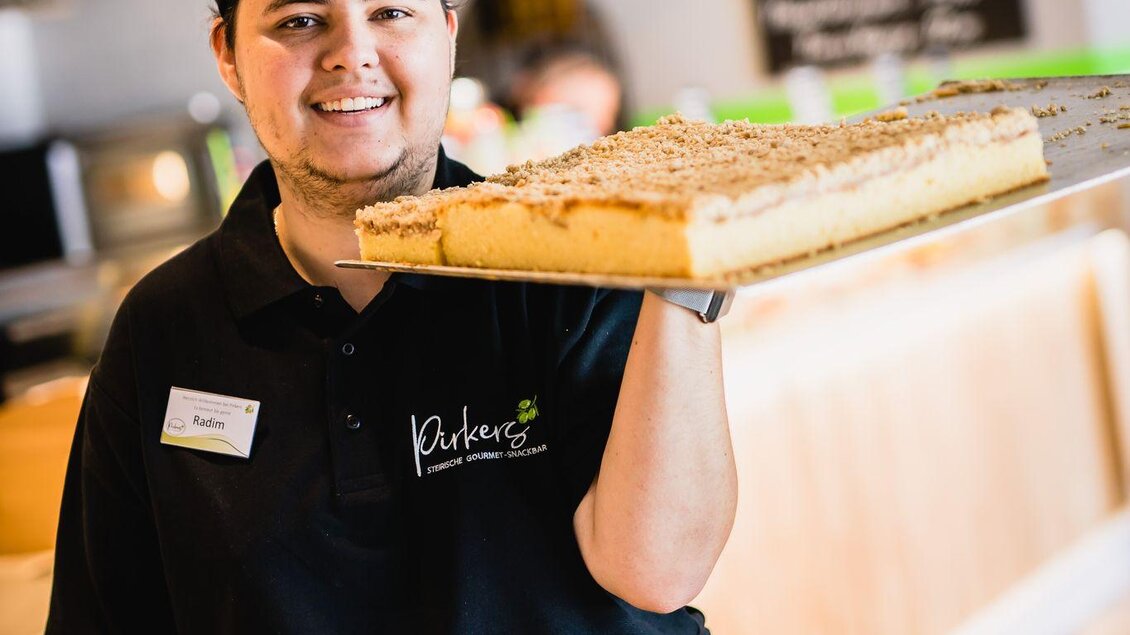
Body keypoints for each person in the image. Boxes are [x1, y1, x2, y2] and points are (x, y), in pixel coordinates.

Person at [47, 1, 738, 632]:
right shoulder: (161, 331)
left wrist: (685, 268)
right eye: (298, 20)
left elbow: (658, 570)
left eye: (391, 11)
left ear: (448, 35)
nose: (351, 52)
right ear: (228, 54)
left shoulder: (572, 258)